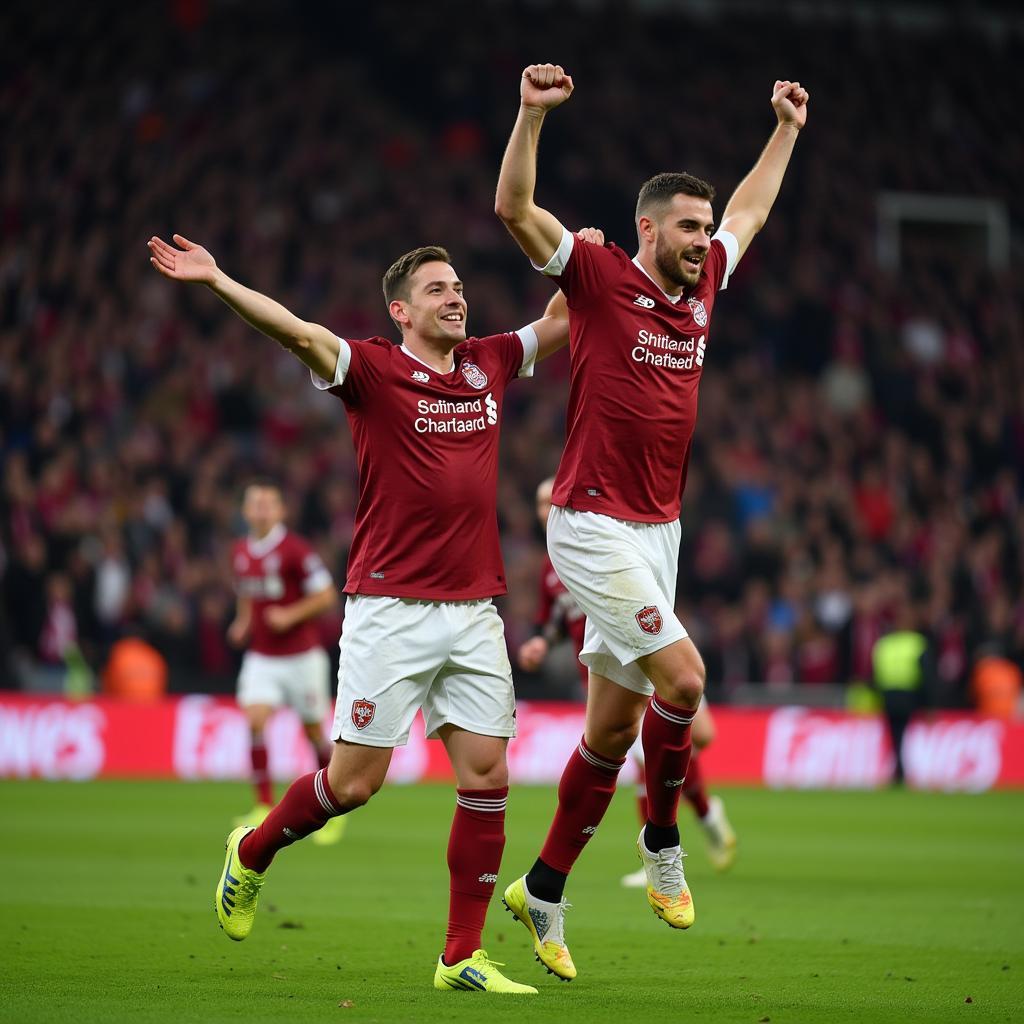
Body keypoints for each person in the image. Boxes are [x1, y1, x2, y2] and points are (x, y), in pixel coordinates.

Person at [147, 225, 600, 995]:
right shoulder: (373, 369)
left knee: (487, 775)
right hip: (389, 607)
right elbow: (293, 331)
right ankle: (251, 853)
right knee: (355, 784)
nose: (455, 296)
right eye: (436, 289)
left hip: (474, 608)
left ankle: (459, 956)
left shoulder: (488, 363)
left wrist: (583, 260)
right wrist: (220, 281)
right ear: (401, 310)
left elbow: (565, 320)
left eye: (458, 286)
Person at [494, 63, 807, 980]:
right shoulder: (595, 275)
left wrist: (785, 129)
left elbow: (751, 210)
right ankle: (663, 841)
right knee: (687, 678)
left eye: (704, 230)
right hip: (589, 522)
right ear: (647, 229)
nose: (701, 239)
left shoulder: (706, 278)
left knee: (609, 734)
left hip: (657, 533)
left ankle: (542, 889)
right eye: (685, 227)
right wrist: (529, 116)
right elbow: (515, 209)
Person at [517, 478, 736, 890]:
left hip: (652, 649)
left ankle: (706, 812)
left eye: (552, 500)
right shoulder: (555, 566)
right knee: (641, 757)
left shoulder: (612, 540)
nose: (547, 509)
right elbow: (553, 624)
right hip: (609, 673)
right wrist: (539, 644)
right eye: (540, 503)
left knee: (696, 738)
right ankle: (658, 850)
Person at [227, 479, 344, 846]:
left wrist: (290, 615)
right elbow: (247, 593)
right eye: (255, 504)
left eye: (268, 504)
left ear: (280, 511)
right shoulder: (241, 551)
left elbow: (326, 595)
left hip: (301, 658)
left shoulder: (295, 550)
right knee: (255, 720)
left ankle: (332, 809)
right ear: (246, 511)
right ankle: (263, 805)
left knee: (313, 731)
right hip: (263, 656)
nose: (261, 510)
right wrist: (243, 621)